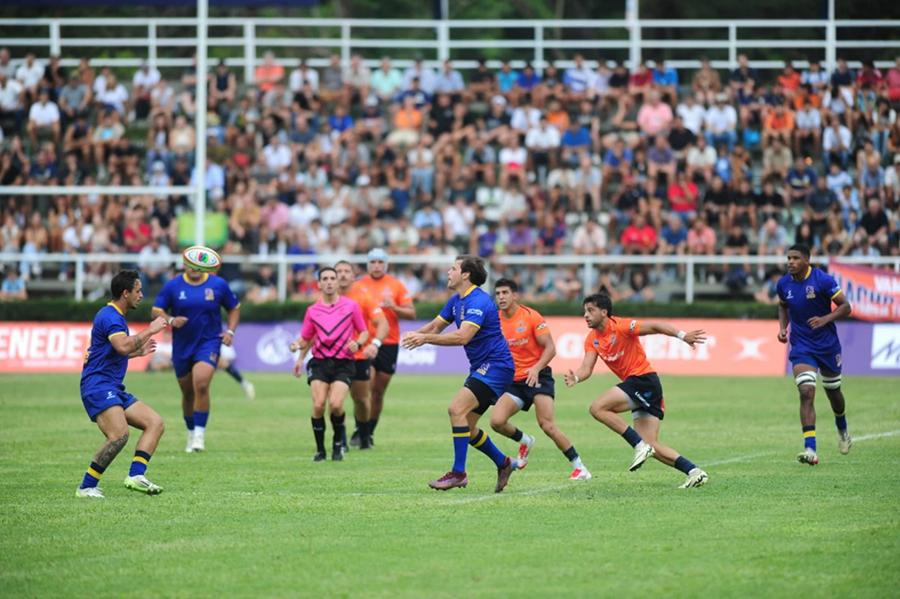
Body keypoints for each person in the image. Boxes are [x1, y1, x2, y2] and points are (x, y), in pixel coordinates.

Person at [564, 294, 709, 489]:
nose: (586, 315)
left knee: (597, 408)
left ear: (604, 312)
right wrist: (576, 377)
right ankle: (694, 472)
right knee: (652, 445)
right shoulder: (592, 339)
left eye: (590, 310)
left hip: (644, 380)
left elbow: (656, 326)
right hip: (638, 385)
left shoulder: (622, 326)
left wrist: (683, 336)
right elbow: (586, 368)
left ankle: (639, 445)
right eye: (585, 311)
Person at [402, 256, 518, 492]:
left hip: (496, 366)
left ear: (465, 274)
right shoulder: (456, 300)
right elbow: (435, 326)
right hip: (482, 367)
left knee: (456, 409)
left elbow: (462, 337)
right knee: (468, 427)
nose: (448, 272)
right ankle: (503, 462)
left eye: (453, 268)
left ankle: (458, 473)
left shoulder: (479, 301)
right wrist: (414, 335)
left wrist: (424, 339)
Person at [76, 270, 169, 499]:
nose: (141, 295)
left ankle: (136, 475)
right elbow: (122, 346)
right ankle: (86, 487)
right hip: (98, 386)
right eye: (138, 290)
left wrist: (137, 352)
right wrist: (151, 330)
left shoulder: (115, 316)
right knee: (118, 435)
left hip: (112, 387)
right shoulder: (110, 317)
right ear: (125, 293)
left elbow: (110, 352)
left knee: (155, 423)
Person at [490, 279, 592, 481]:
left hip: (538, 376)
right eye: (498, 293)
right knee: (497, 421)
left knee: (547, 424)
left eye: (505, 293)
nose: (501, 297)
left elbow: (551, 348)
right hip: (514, 380)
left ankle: (579, 467)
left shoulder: (531, 316)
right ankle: (525, 441)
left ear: (515, 295)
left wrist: (536, 368)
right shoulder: (495, 320)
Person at [151, 252, 241, 453]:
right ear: (184, 264)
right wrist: (171, 320)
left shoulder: (218, 284)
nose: (193, 267)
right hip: (182, 345)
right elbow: (156, 310)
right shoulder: (173, 286)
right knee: (187, 392)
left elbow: (234, 308)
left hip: (209, 342)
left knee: (201, 383)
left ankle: (199, 435)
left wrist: (230, 331)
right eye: (189, 263)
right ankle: (191, 431)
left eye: (197, 264)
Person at [776, 244, 852, 465]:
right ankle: (810, 448)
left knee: (833, 392)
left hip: (827, 346)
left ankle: (842, 428)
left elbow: (846, 307)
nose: (790, 262)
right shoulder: (783, 284)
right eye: (789, 258)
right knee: (806, 391)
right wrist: (783, 328)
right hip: (802, 346)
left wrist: (824, 319)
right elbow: (783, 306)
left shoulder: (822, 280)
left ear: (807, 261)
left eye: (795, 258)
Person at [289, 267, 369, 462]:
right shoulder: (312, 311)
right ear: (319, 284)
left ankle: (337, 443)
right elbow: (306, 337)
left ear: (337, 282)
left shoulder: (351, 306)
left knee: (335, 404)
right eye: (325, 278)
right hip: (320, 363)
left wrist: (358, 343)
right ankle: (320, 450)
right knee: (318, 405)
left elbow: (364, 332)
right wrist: (297, 347)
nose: (330, 282)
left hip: (344, 363)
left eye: (333, 278)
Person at [353, 248, 416, 445]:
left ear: (386, 265)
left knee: (378, 393)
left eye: (380, 262)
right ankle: (360, 430)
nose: (376, 266)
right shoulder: (358, 286)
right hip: (366, 343)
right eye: (373, 262)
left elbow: (412, 313)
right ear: (367, 265)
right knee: (365, 388)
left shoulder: (396, 285)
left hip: (389, 343)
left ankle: (369, 431)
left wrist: (394, 307)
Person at [335, 260, 389, 451]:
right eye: (338, 271)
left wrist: (375, 343)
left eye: (346, 271)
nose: (342, 274)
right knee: (336, 401)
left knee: (361, 399)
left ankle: (364, 435)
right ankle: (340, 439)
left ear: (353, 275)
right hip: (334, 357)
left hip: (358, 356)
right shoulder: (325, 298)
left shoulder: (363, 296)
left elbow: (382, 323)